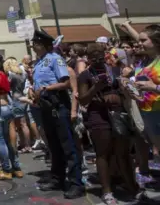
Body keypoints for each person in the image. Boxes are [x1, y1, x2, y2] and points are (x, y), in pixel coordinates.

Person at [78, 44, 143, 205]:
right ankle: (107, 191)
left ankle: (131, 186)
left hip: (118, 114)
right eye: (93, 55)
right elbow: (83, 100)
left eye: (100, 54)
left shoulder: (113, 70)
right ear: (88, 58)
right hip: (98, 116)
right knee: (103, 153)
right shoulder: (85, 75)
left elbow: (124, 90)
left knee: (123, 152)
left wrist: (120, 93)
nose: (97, 58)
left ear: (105, 54)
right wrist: (95, 88)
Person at [32, 29, 84, 199]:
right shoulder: (39, 63)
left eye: (36, 44)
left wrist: (46, 88)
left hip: (58, 105)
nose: (33, 46)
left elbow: (66, 83)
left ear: (45, 45)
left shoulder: (55, 59)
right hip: (45, 106)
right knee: (54, 146)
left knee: (68, 146)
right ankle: (57, 178)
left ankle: (76, 183)